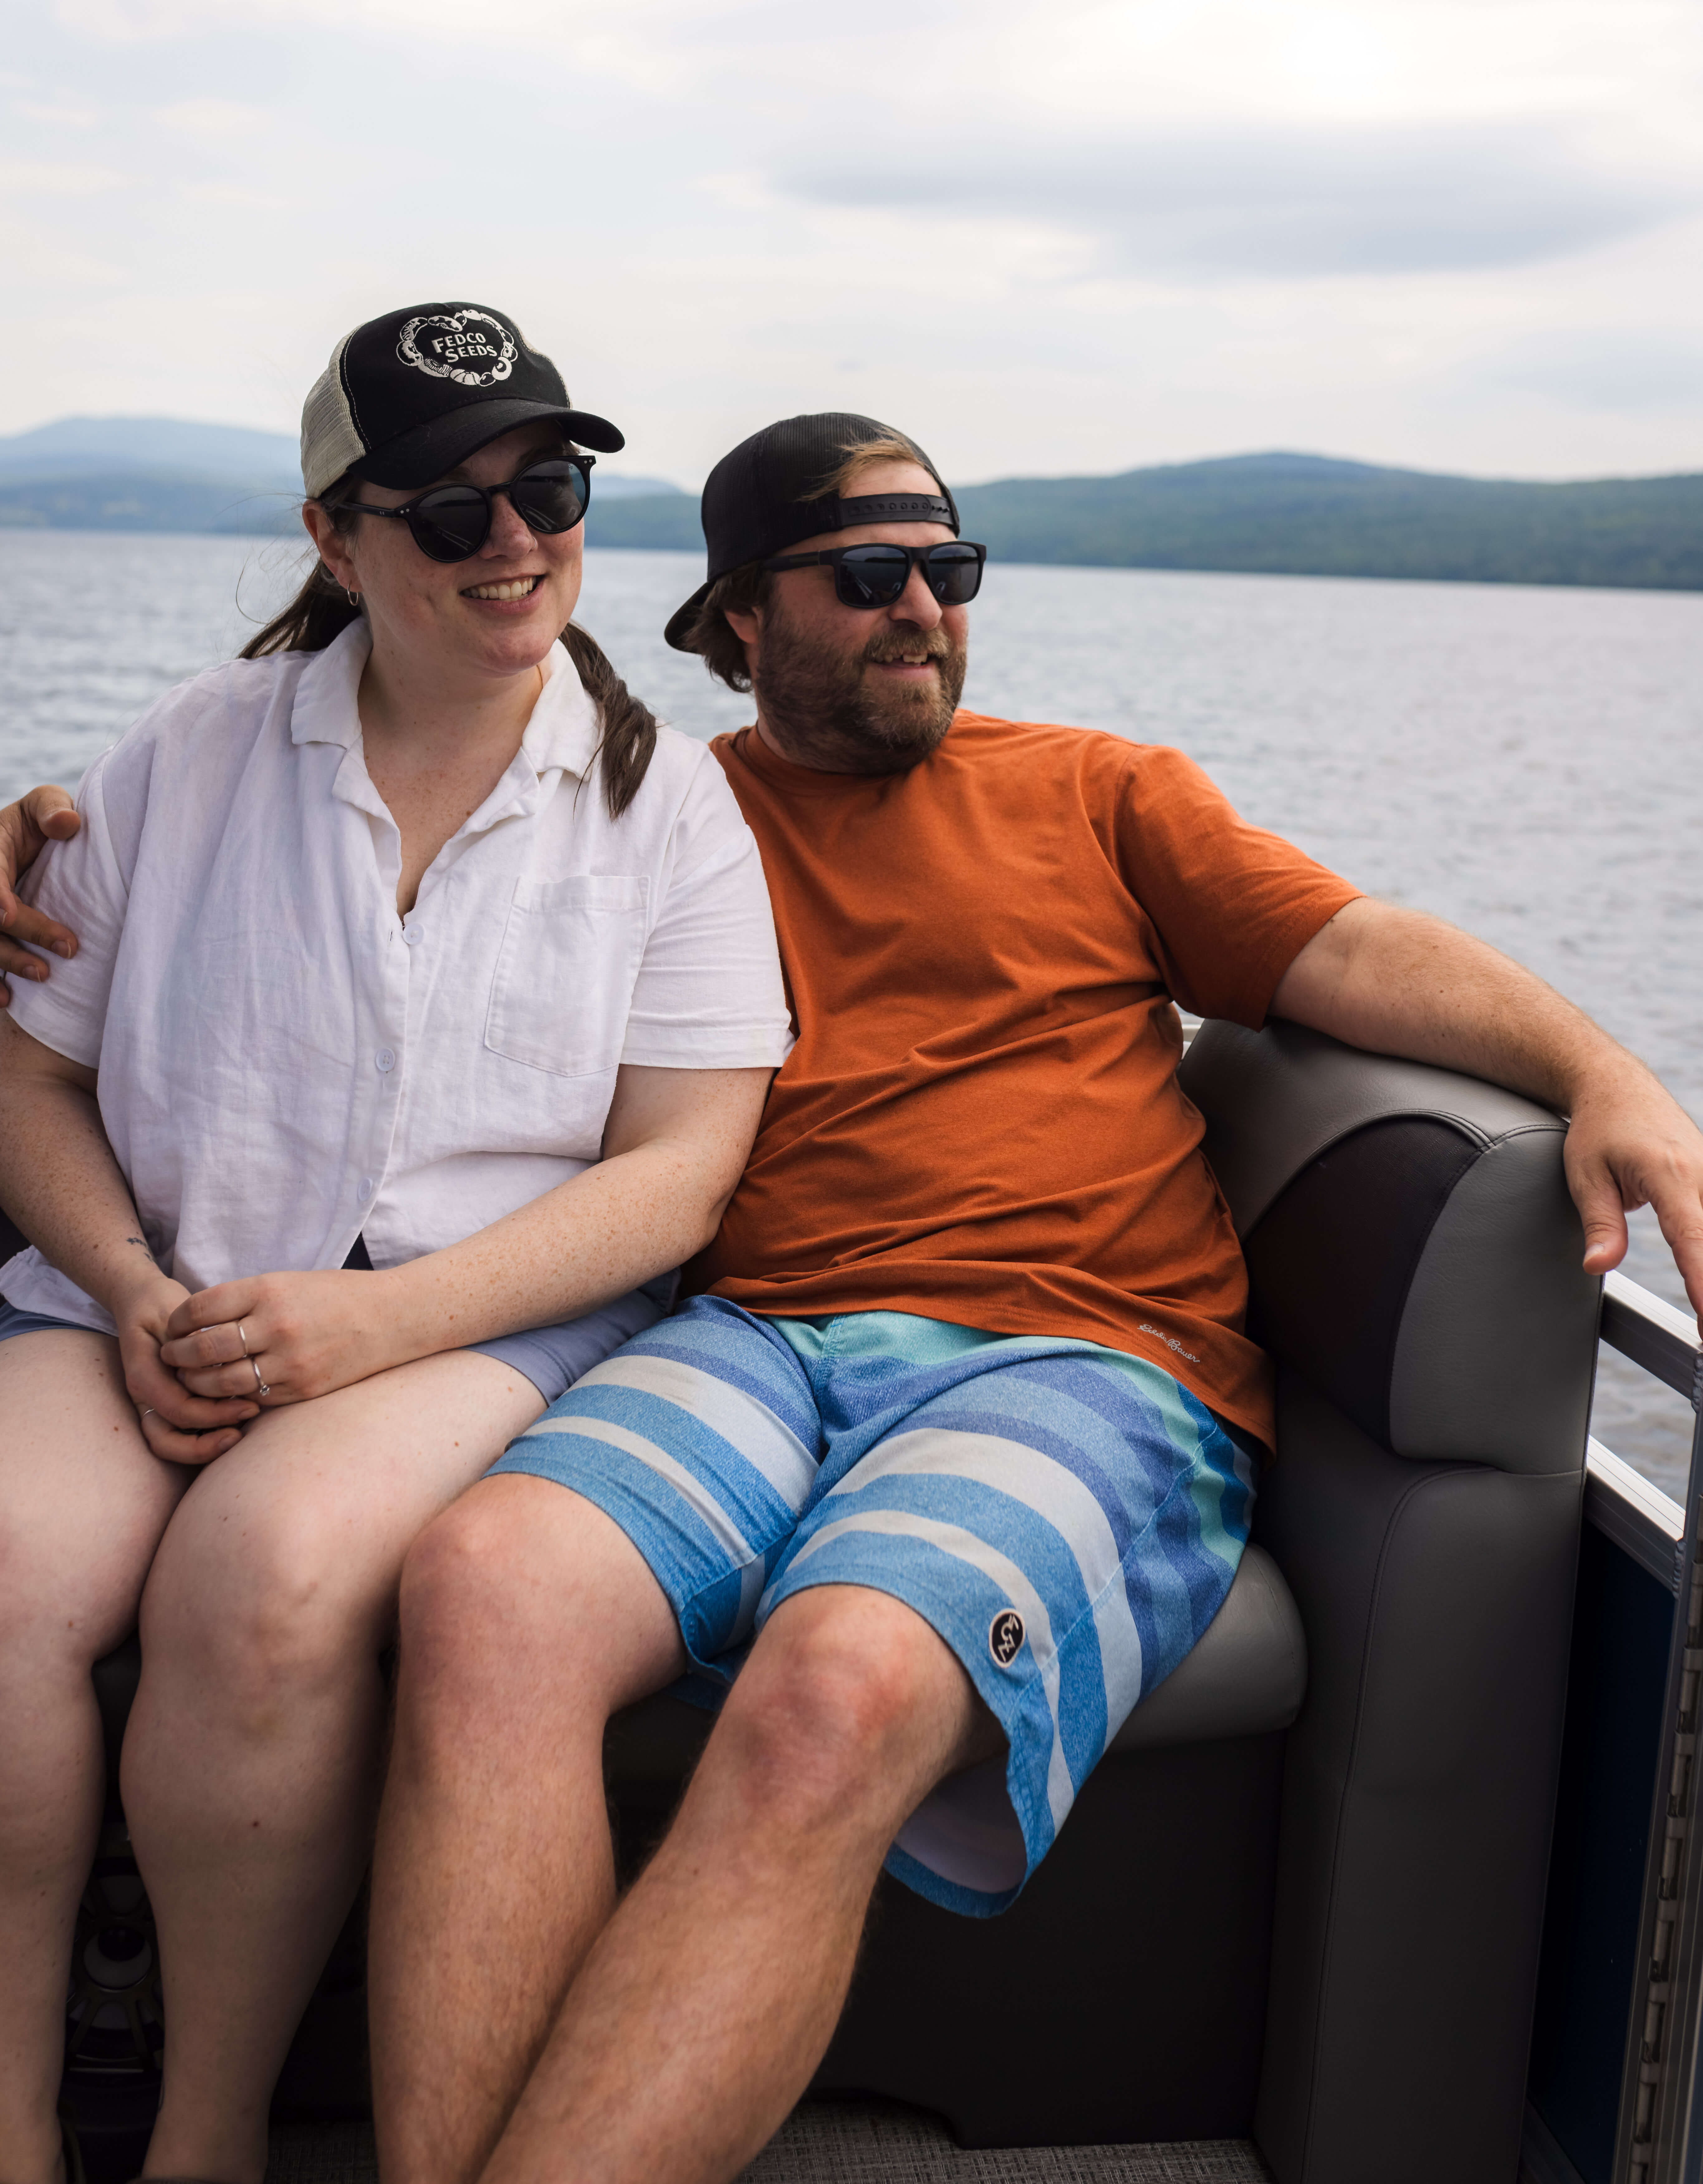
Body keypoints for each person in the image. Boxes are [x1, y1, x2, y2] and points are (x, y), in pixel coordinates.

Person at [6, 415, 1703, 2184]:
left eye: (948, 571)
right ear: (739, 618)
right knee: (486, 1590)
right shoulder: (645, 809)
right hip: (746, 1338)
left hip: (1086, 1354)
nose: (923, 612)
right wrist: (40, 832)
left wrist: (1605, 1070)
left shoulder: (1101, 793)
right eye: (868, 574)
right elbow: (310, 843)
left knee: (829, 1689)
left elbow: (1351, 951)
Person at [0, 302, 794, 2184]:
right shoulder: (179, 761)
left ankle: (207, 2141)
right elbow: (30, 1084)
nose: (516, 541)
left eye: (551, 488)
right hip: (152, 1293)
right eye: (449, 514)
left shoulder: (661, 805)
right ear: (333, 540)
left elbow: (678, 1174)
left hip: (472, 1327)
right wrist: (131, 1292)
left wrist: (375, 1334)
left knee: (267, 1582)